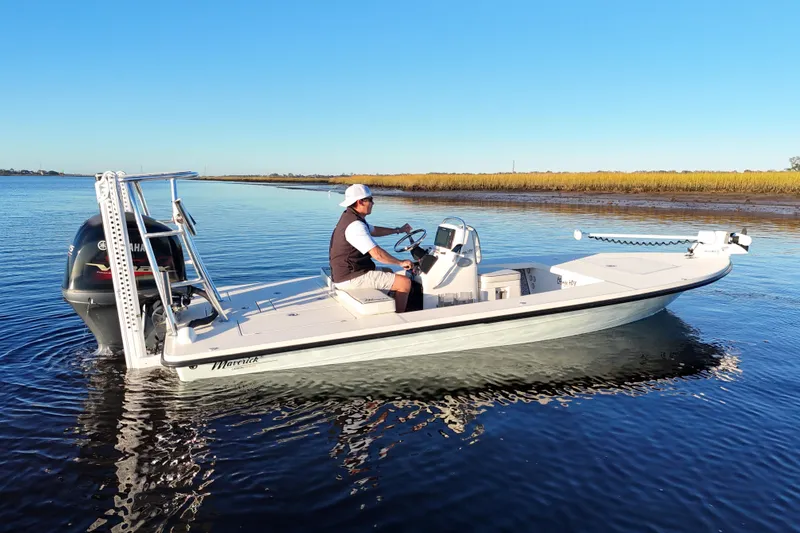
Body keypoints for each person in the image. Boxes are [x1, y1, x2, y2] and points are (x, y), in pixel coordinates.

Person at [329, 184, 414, 312]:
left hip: (347, 273)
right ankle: (400, 317)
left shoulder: (350, 217)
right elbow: (377, 255)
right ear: (360, 202)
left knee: (388, 271)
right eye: (370, 200)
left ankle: (389, 306)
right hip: (350, 277)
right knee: (405, 283)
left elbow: (374, 230)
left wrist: (398, 230)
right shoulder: (355, 225)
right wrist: (400, 262)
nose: (373, 203)